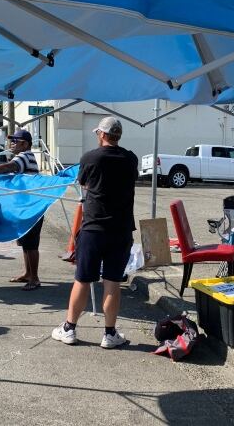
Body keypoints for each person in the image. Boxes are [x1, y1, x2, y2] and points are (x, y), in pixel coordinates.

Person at [51, 117, 138, 348]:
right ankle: (109, 334)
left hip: (94, 229)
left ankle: (69, 328)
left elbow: (85, 184)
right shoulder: (130, 159)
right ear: (118, 135)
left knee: (82, 279)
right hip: (121, 230)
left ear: (101, 134)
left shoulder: (91, 157)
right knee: (112, 282)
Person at [0, 129, 42, 290]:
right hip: (26, 207)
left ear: (25, 144)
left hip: (32, 208)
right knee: (25, 242)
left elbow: (9, 167)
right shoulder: (23, 156)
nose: (12, 143)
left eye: (15, 141)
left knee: (31, 244)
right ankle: (27, 274)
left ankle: (35, 278)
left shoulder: (25, 156)